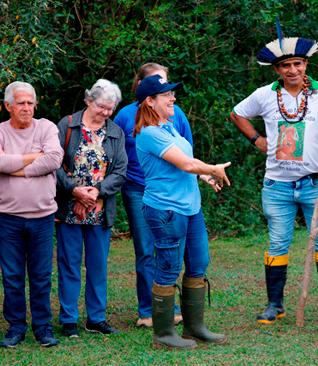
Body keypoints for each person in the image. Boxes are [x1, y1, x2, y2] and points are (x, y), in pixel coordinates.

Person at [230, 23, 318, 324]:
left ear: (306, 65)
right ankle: (275, 305)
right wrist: (257, 140)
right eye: (285, 65)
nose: (292, 70)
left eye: (297, 64)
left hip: (315, 184)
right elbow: (236, 113)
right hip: (277, 186)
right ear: (277, 69)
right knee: (277, 243)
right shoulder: (263, 95)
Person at [134, 74, 230, 350]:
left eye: (172, 94)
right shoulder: (149, 133)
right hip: (166, 211)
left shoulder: (169, 126)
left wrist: (204, 176)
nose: (173, 98)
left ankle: (194, 327)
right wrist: (211, 168)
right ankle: (163, 334)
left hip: (191, 208)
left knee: (199, 262)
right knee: (168, 268)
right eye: (167, 95)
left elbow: (187, 162)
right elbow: (186, 165)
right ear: (150, 102)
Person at [113, 63, 194, 328]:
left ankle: (171, 306)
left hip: (172, 193)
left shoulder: (176, 113)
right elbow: (113, 153)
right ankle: (147, 310)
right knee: (146, 250)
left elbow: (187, 152)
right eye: (157, 84)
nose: (167, 91)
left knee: (173, 250)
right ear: (143, 88)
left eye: (167, 83)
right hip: (138, 189)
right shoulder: (125, 115)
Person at [0, 82, 64, 348]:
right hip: (8, 218)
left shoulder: (47, 127)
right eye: (20, 103)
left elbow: (54, 158)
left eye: (30, 102)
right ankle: (16, 327)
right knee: (12, 276)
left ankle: (43, 328)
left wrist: (16, 166)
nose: (27, 108)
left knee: (41, 276)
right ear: (8, 106)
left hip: (42, 217)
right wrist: (33, 157)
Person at [55, 79, 127, 337]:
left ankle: (96, 318)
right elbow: (54, 164)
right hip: (70, 207)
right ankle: (69, 320)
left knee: (98, 266)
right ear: (88, 100)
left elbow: (120, 171)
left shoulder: (115, 132)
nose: (106, 112)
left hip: (99, 209)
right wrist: (75, 193)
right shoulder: (67, 125)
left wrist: (96, 194)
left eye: (111, 108)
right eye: (101, 106)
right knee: (69, 264)